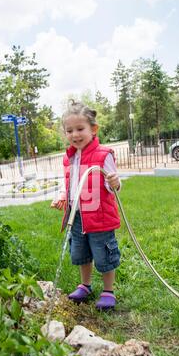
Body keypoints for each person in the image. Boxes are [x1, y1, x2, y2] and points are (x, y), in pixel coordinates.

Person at [51, 100, 121, 310]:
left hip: (99, 217)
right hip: (78, 216)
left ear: (93, 129)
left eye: (80, 129)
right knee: (81, 253)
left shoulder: (103, 155)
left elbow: (114, 184)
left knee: (104, 254)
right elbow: (71, 184)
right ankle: (86, 285)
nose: (75, 135)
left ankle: (108, 291)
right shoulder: (69, 158)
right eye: (69, 130)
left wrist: (115, 183)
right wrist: (63, 195)